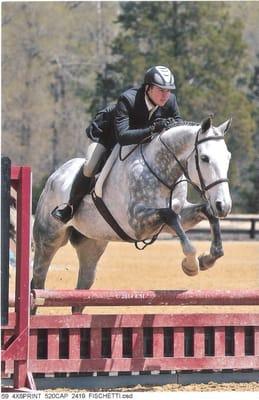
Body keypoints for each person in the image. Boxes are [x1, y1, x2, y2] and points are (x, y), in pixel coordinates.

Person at [51, 65, 182, 223]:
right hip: (112, 140)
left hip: (146, 144)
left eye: (168, 90)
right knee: (90, 166)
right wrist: (152, 130)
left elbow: (178, 125)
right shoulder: (128, 99)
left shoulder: (170, 101)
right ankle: (70, 207)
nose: (165, 95)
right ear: (148, 88)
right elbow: (123, 136)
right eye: (161, 90)